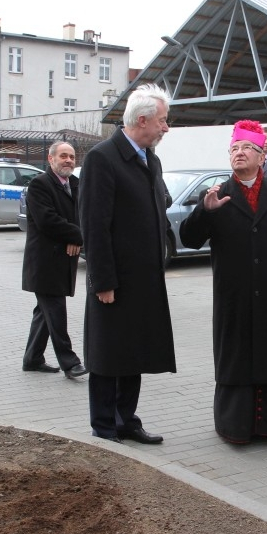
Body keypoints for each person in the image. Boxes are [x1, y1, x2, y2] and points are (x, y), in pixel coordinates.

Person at [179, 120, 267, 443]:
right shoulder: (217, 194)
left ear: (263, 156)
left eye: (247, 147)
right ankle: (234, 426)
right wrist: (204, 212)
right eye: (234, 148)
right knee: (234, 356)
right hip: (233, 293)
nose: (239, 153)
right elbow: (190, 239)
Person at [79, 83, 177, 444]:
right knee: (108, 354)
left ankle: (126, 420)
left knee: (133, 352)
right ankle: (104, 425)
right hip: (114, 281)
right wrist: (102, 280)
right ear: (142, 120)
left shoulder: (151, 159)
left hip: (144, 280)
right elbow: (95, 224)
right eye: (163, 120)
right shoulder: (102, 158)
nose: (166, 127)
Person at [21, 142, 88, 380]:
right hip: (45, 262)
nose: (68, 160)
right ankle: (70, 363)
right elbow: (47, 221)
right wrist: (77, 236)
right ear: (51, 159)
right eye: (63, 156)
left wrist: (76, 237)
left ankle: (32, 359)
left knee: (45, 311)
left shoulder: (75, 184)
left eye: (71, 156)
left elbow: (83, 215)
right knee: (55, 310)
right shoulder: (40, 185)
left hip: (64, 260)